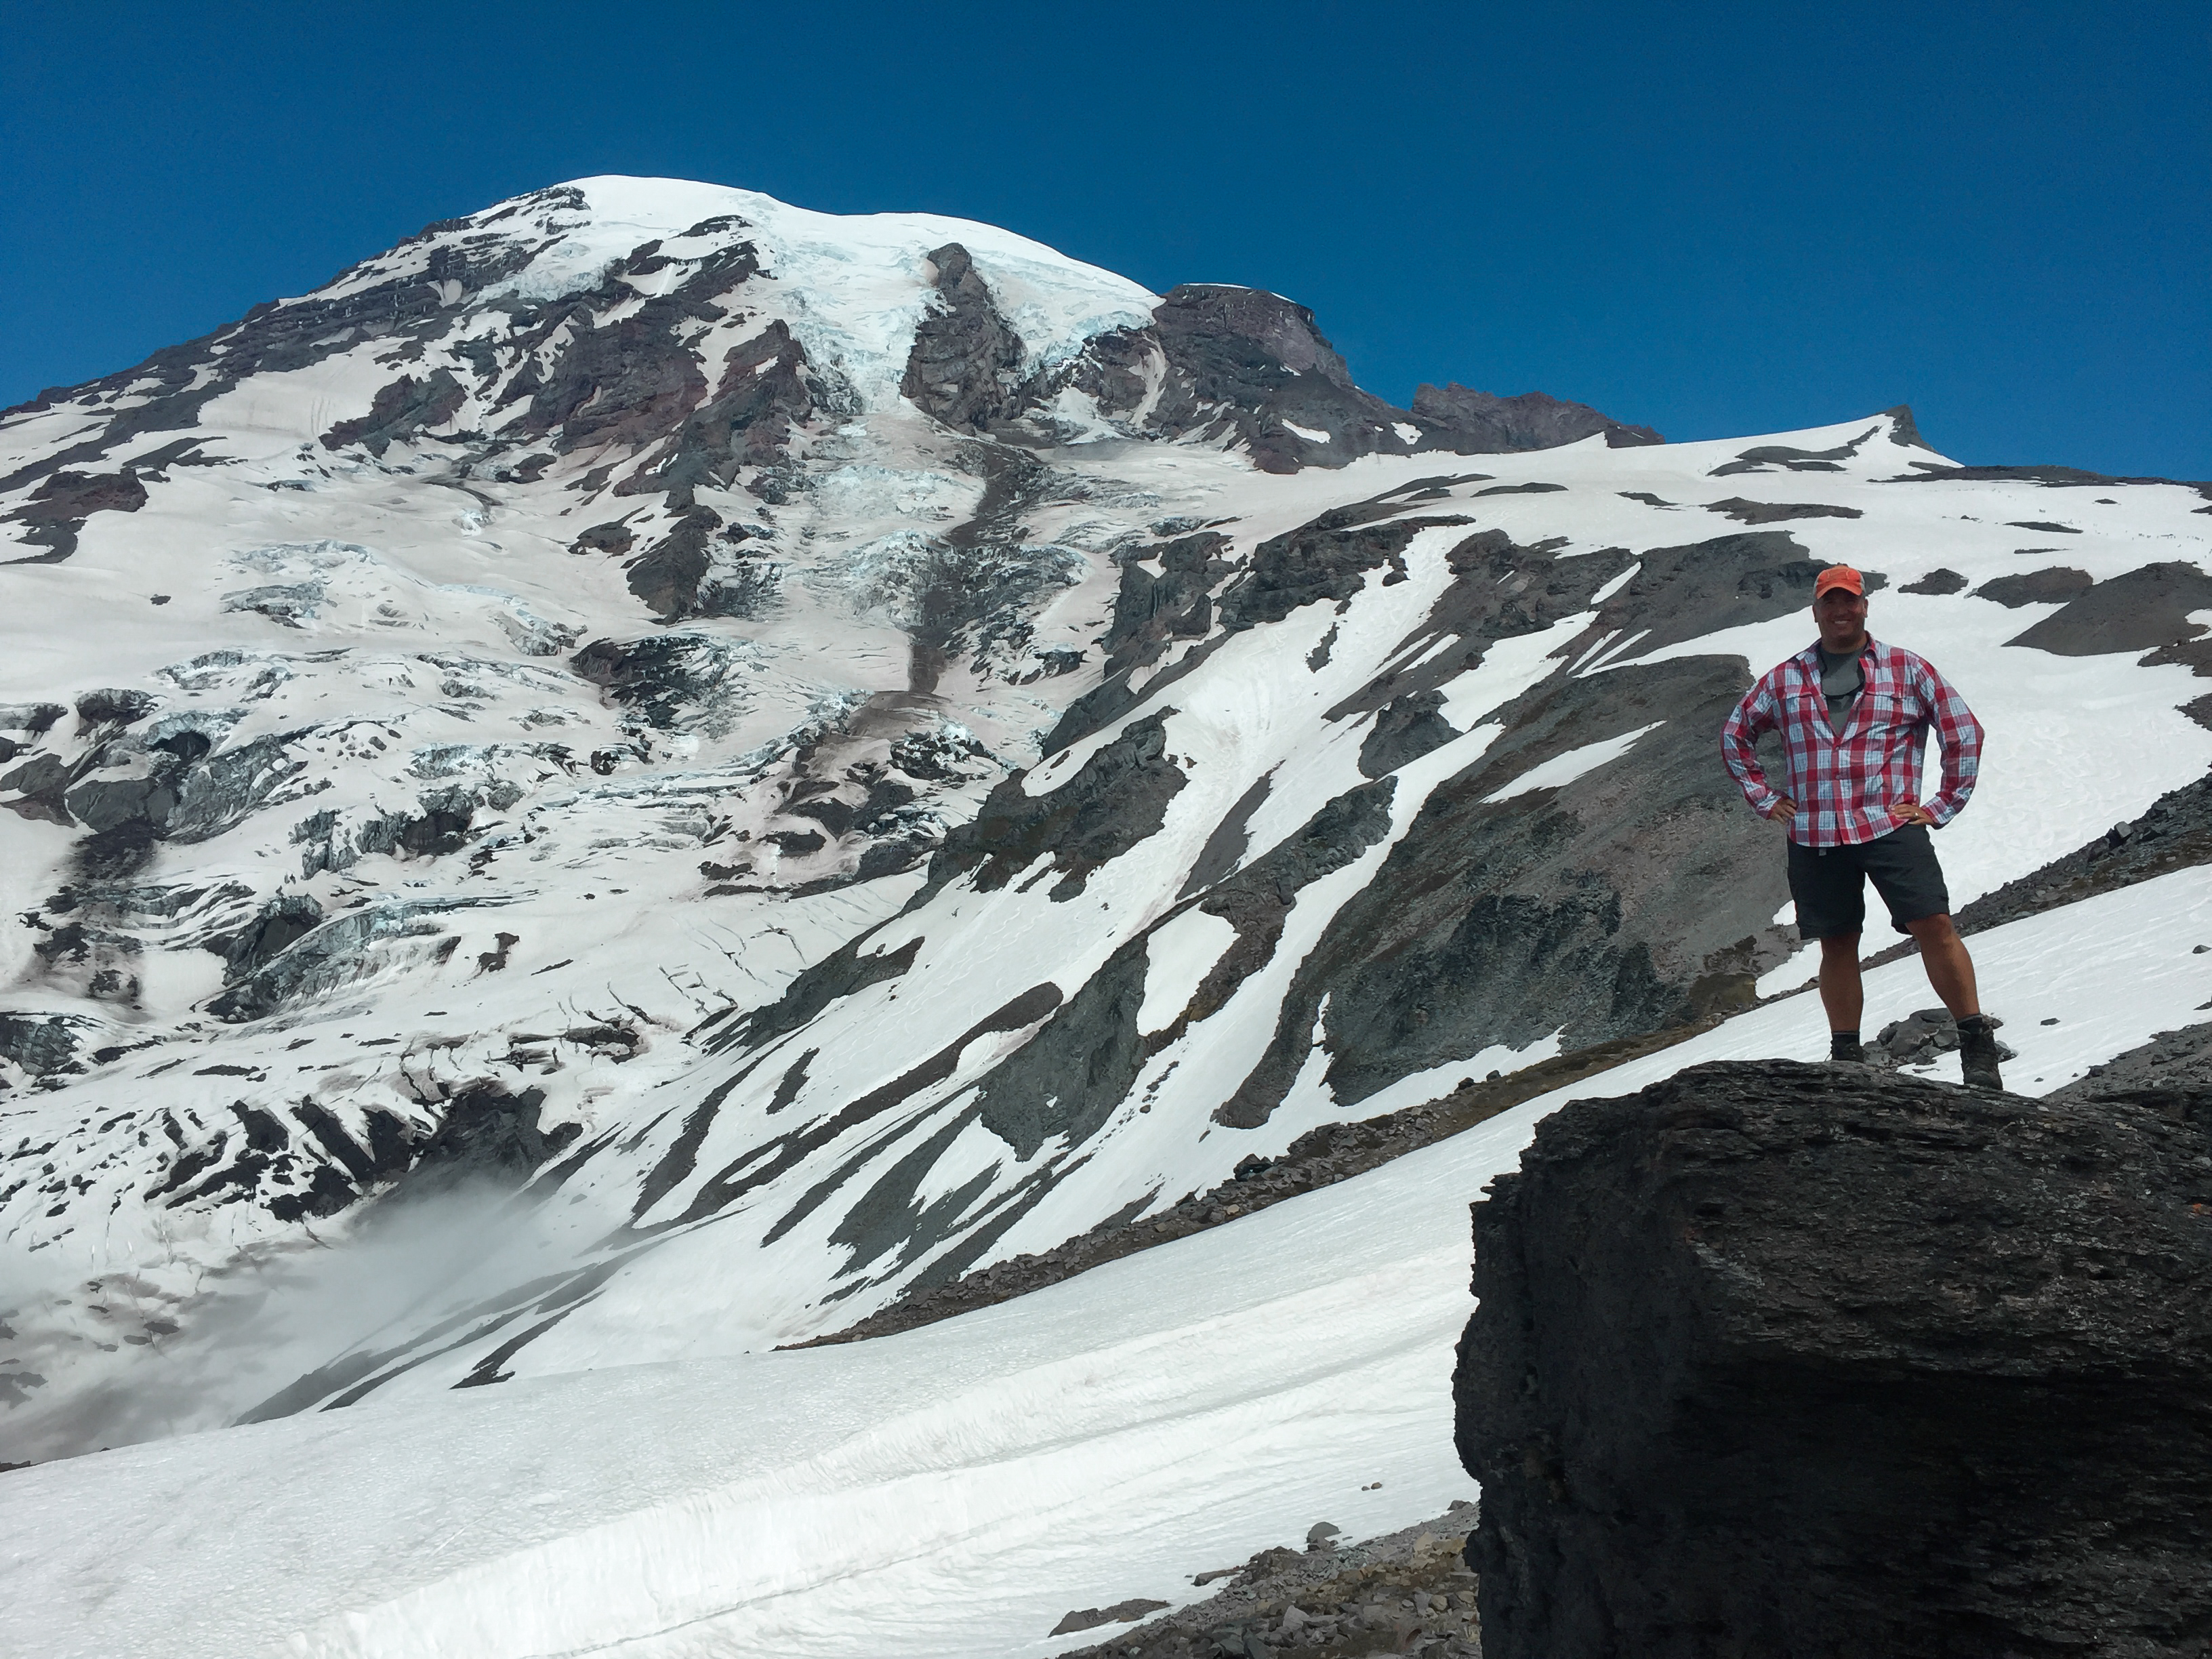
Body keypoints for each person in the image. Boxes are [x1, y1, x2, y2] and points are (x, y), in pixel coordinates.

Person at [1719, 565, 2003, 1087]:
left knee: (1934, 926)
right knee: (1837, 942)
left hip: (1889, 825)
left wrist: (1940, 805)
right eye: (1831, 602)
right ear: (1816, 610)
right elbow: (1736, 735)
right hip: (1817, 833)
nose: (1840, 611)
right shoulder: (1786, 678)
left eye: (1849, 601)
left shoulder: (1907, 669)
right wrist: (1765, 797)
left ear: (1865, 606)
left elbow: (1963, 730)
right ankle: (1846, 1057)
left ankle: (1976, 1047)